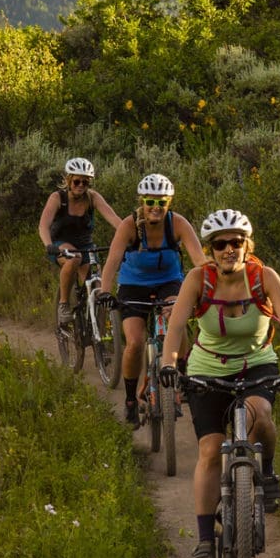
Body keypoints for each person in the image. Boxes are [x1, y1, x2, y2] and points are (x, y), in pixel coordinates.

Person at [161, 207, 280, 558]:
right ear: (211, 249)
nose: (228, 249)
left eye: (236, 242)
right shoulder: (197, 280)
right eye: (220, 244)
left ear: (247, 245)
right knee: (208, 450)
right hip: (208, 369)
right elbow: (175, 329)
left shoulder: (264, 277)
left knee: (261, 414)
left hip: (256, 365)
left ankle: (265, 472)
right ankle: (204, 540)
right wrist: (168, 365)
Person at [97, 174, 204, 423]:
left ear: (170, 202)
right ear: (141, 201)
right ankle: (131, 400)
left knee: (176, 318)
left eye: (162, 202)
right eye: (150, 201)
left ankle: (182, 370)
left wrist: (208, 284)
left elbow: (199, 260)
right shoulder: (129, 226)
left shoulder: (177, 224)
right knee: (134, 342)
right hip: (133, 285)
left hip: (169, 281)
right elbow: (112, 261)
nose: (156, 207)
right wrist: (104, 291)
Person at [38, 158, 123, 329]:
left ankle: (99, 337)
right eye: (77, 181)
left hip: (86, 246)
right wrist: (49, 245)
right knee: (74, 258)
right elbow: (43, 225)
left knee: (99, 288)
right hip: (61, 244)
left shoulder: (92, 198)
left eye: (85, 182)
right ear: (69, 180)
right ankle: (63, 304)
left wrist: (129, 236)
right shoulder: (57, 198)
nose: (81, 185)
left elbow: (115, 220)